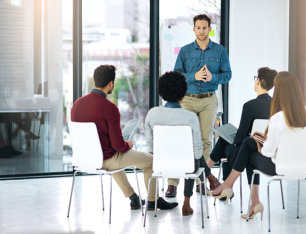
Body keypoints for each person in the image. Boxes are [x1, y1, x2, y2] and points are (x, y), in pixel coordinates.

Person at [71, 65, 177, 211]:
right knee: (151, 162)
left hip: (84, 159)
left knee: (113, 157)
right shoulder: (110, 108)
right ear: (110, 84)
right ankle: (154, 201)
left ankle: (134, 198)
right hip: (107, 159)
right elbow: (118, 147)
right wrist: (128, 144)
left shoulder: (76, 105)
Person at [211, 71, 306, 219]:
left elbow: (268, 152)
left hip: (279, 168)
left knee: (249, 150)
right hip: (303, 166)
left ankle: (235, 189)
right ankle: (246, 197)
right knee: (249, 144)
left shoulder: (278, 118)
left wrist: (260, 141)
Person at [168, 13, 232, 197]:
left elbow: (228, 75)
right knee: (182, 140)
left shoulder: (220, 51)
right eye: (199, 27)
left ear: (209, 29)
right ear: (193, 29)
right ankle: (172, 184)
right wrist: (193, 76)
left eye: (205, 27)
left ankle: (200, 182)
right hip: (187, 99)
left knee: (205, 141)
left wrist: (214, 77)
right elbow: (176, 75)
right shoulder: (185, 51)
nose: (202, 31)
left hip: (208, 100)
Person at [145, 71, 221, 216]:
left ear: (161, 92)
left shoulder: (152, 114)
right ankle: (187, 202)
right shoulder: (190, 117)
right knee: (194, 159)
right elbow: (198, 152)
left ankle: (210, 179)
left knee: (193, 158)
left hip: (161, 165)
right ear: (183, 95)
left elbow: (150, 147)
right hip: (187, 166)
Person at [208, 67, 277, 185]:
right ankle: (211, 175)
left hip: (245, 151)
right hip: (266, 150)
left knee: (224, 142)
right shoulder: (276, 105)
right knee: (226, 143)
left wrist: (234, 137)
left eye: (256, 78)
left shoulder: (249, 106)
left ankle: (206, 170)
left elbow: (240, 137)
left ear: (258, 81)